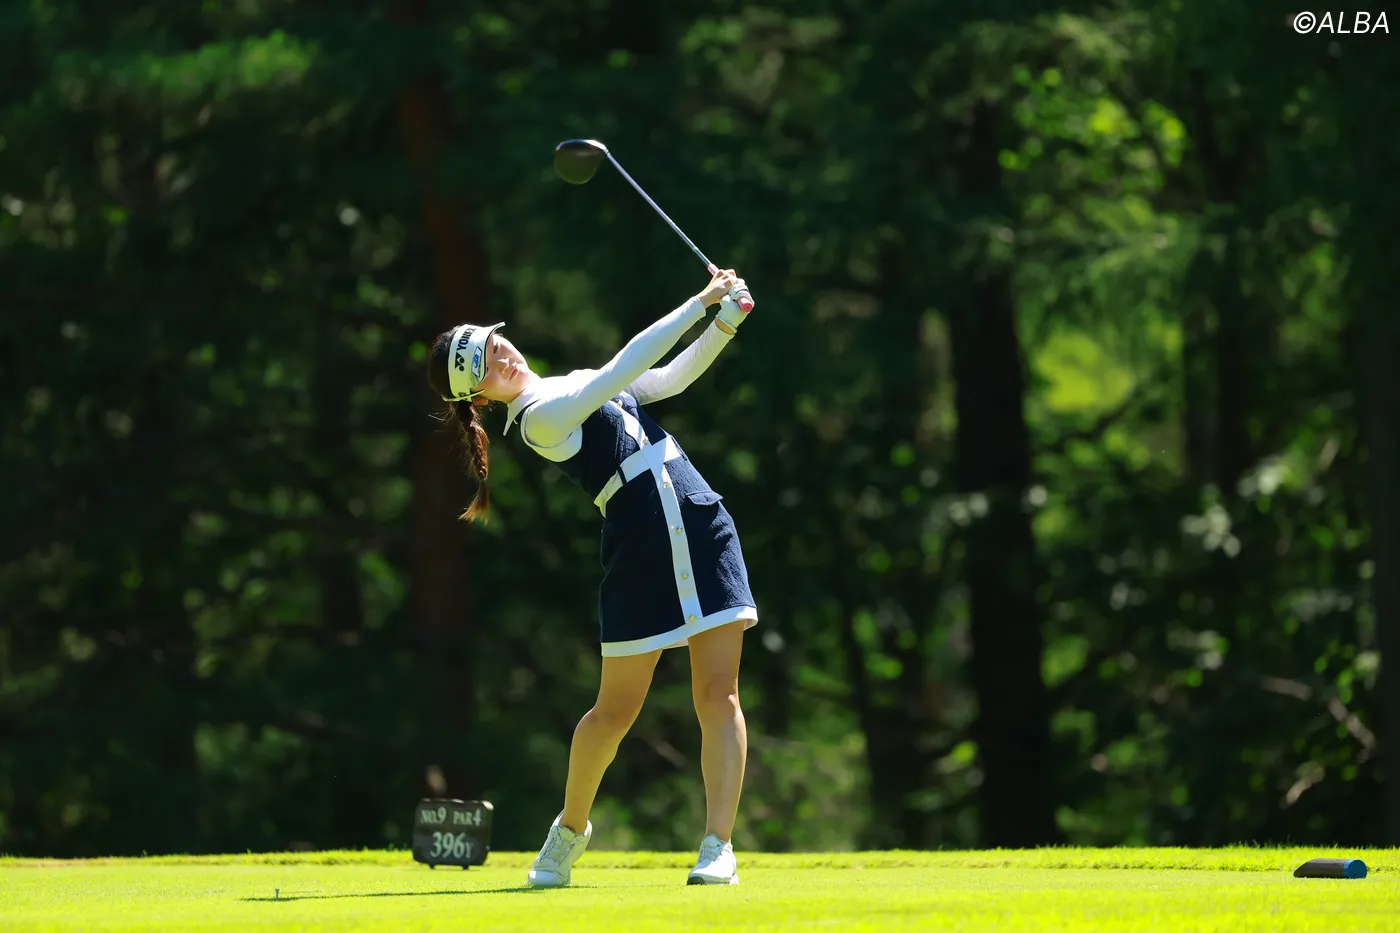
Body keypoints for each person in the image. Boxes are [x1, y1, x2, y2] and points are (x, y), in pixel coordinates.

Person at [424, 268, 758, 887]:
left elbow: (664, 379)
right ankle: (569, 830)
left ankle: (718, 847)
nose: (504, 358)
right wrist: (701, 302)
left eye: (497, 345)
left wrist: (725, 325)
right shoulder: (538, 420)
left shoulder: (567, 382)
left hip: (700, 520)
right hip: (639, 552)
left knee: (720, 695)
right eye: (488, 367)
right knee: (613, 712)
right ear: (481, 398)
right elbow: (623, 370)